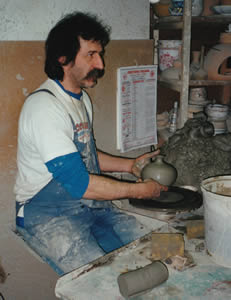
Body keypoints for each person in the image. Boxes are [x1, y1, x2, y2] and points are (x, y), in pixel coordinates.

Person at [14, 11, 167, 275]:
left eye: (101, 54)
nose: (101, 64)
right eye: (91, 55)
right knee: (99, 281)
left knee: (154, 252)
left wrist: (128, 165)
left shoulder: (81, 99)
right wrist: (137, 191)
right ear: (63, 58)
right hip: (48, 214)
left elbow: (85, 153)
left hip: (89, 205)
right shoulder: (43, 107)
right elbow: (79, 182)